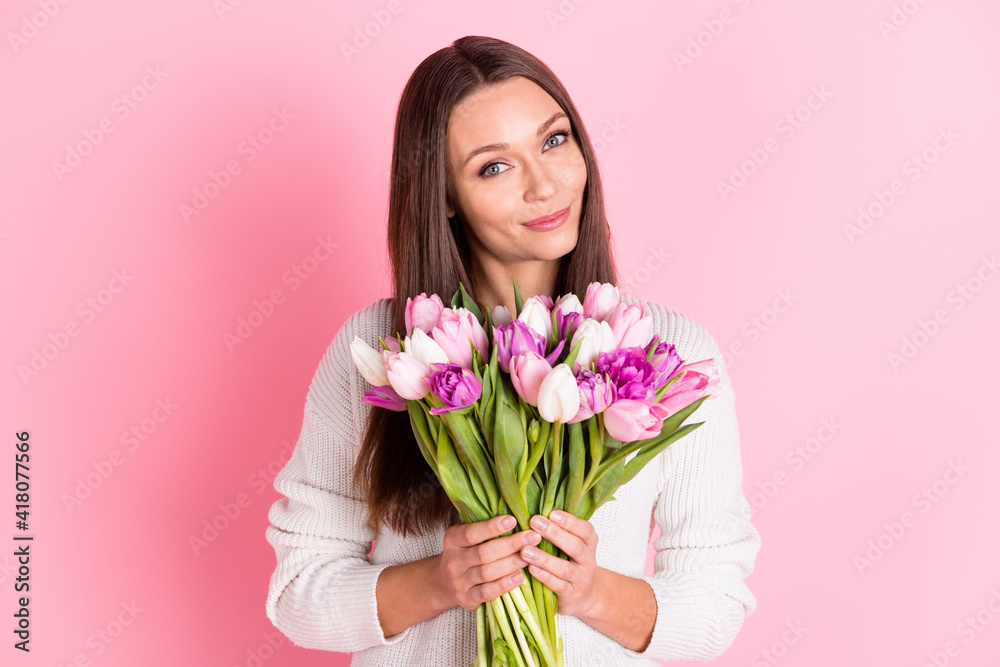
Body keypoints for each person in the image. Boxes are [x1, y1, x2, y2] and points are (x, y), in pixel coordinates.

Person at [264, 35, 761, 666]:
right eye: (494, 166)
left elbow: (715, 603)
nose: (546, 185)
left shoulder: (663, 354)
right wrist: (440, 582)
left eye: (555, 141)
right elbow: (297, 593)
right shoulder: (384, 349)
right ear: (443, 194)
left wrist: (591, 591)